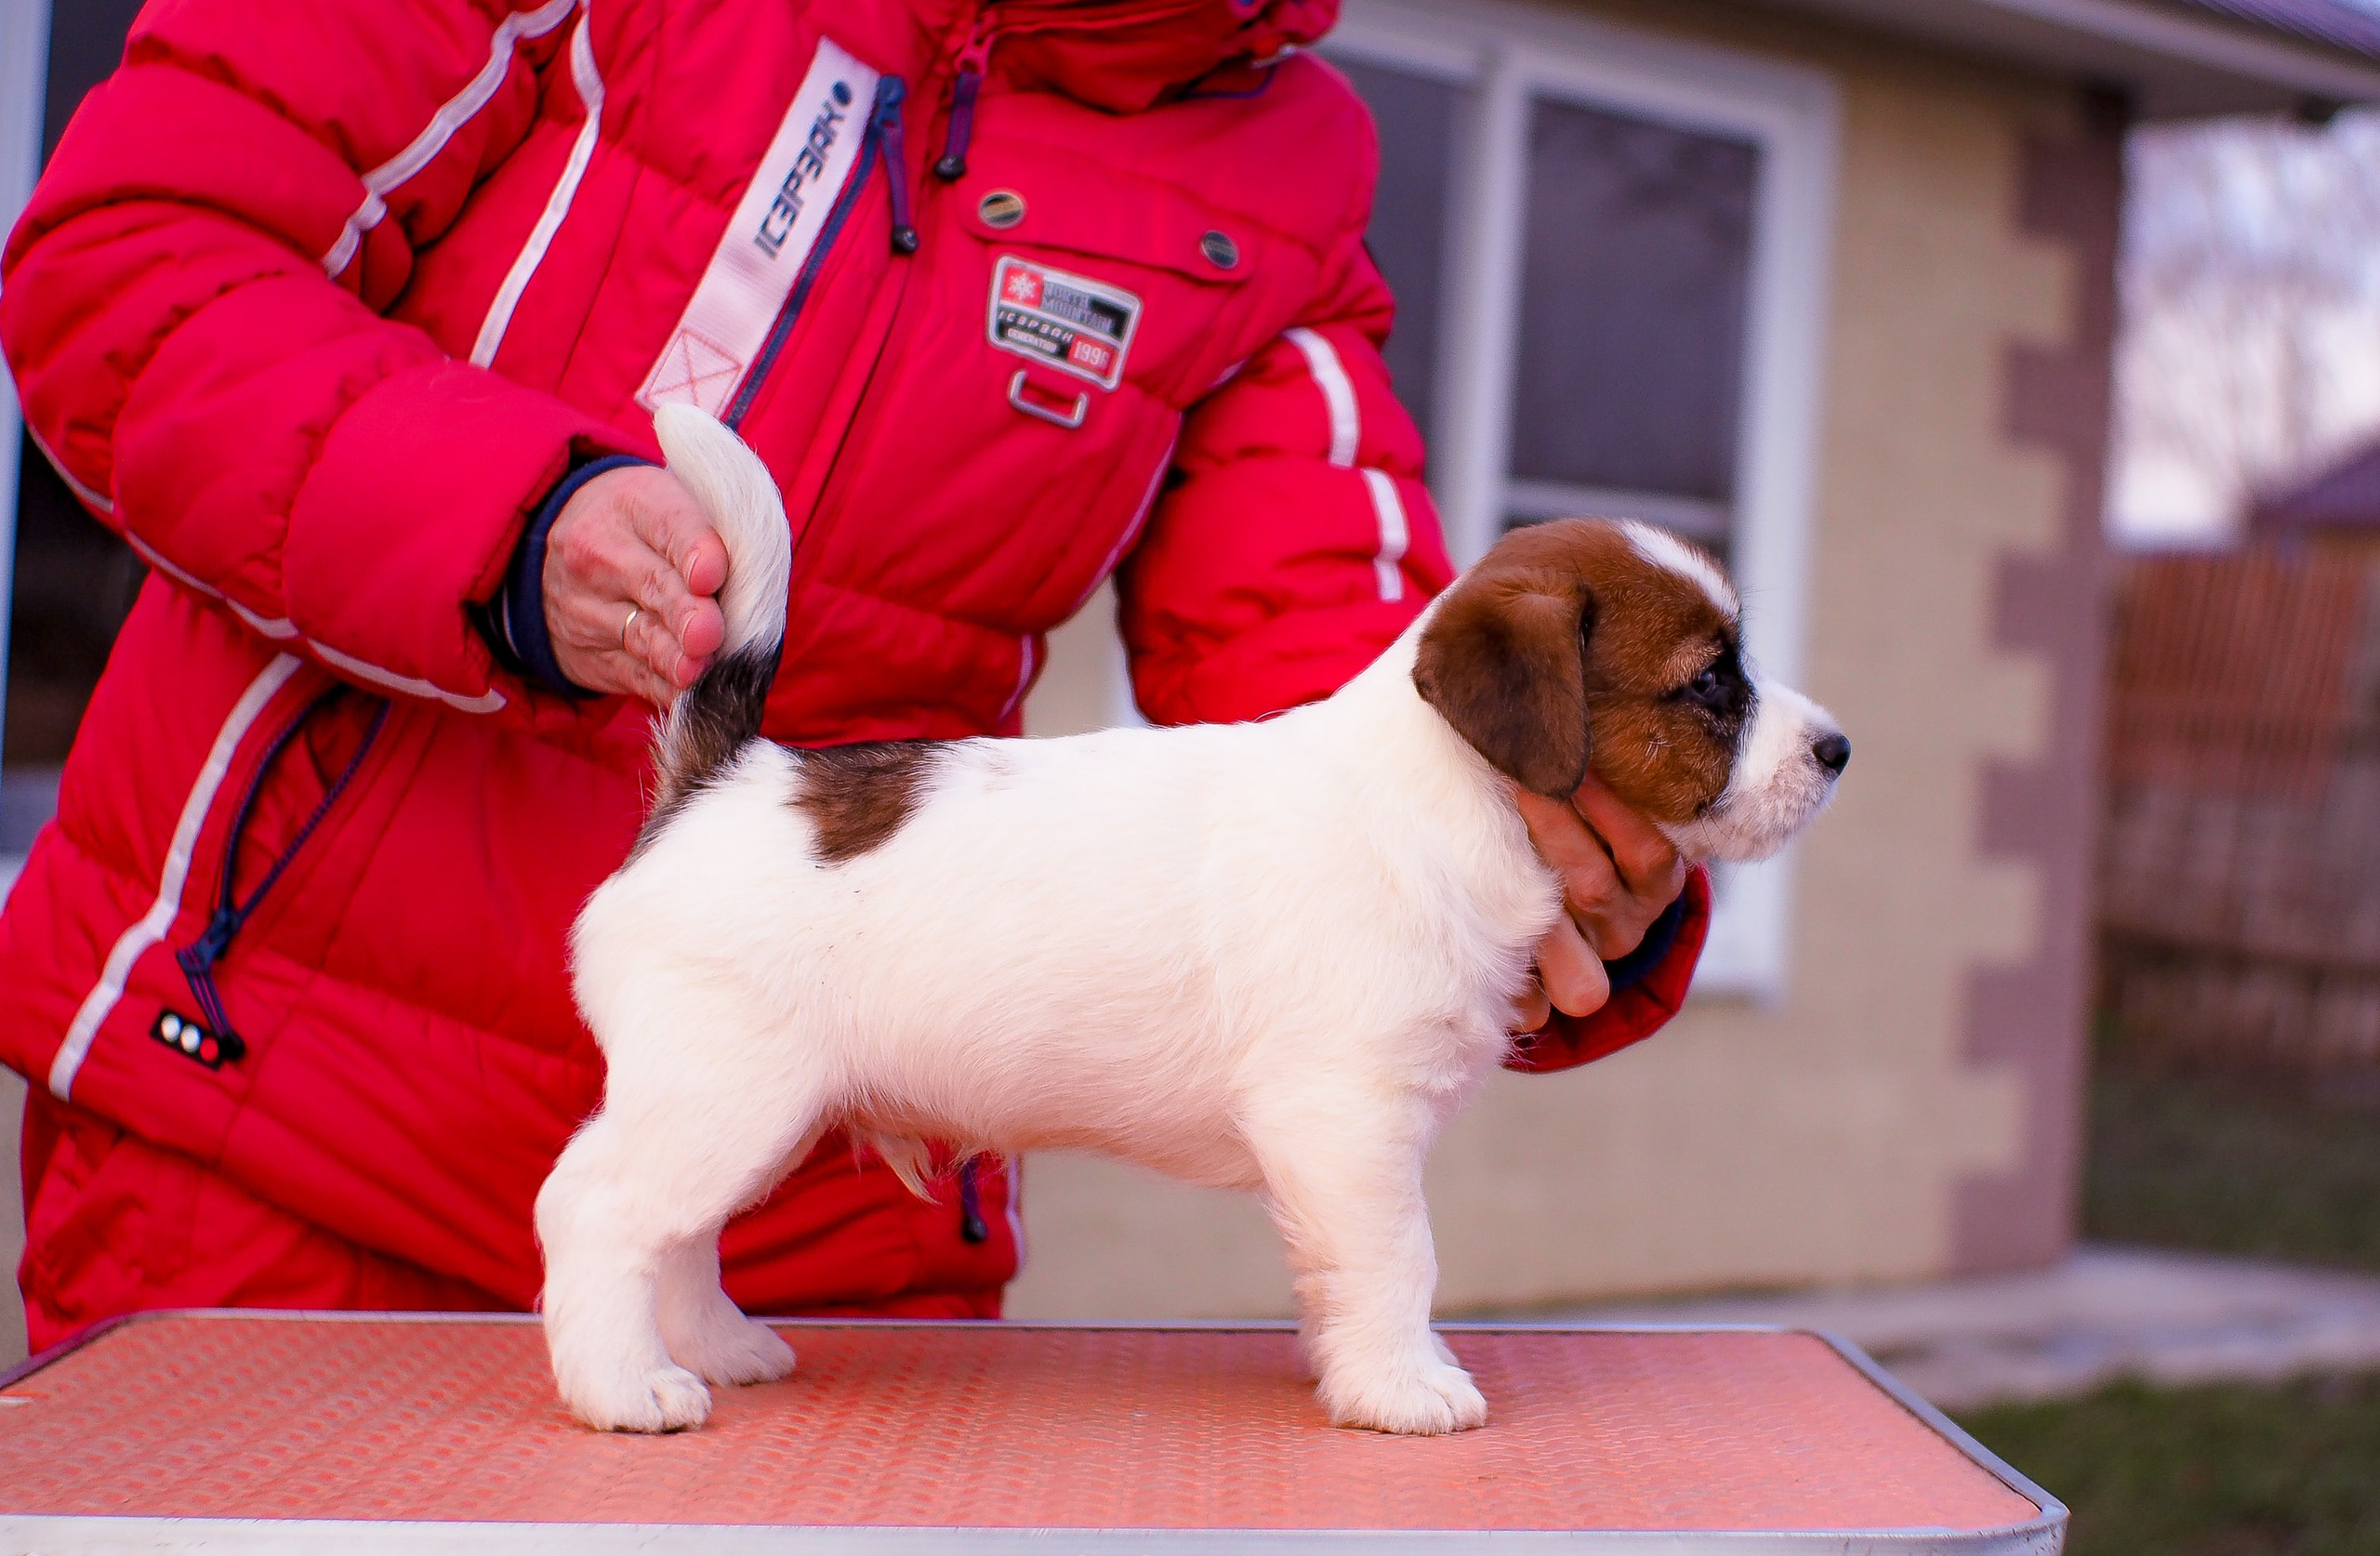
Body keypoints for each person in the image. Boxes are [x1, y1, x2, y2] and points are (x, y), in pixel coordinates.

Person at [0, 0, 1706, 1355]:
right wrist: (508, 518)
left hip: (839, 1230)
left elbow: (1337, 656)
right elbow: (136, 258)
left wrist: (1546, 850)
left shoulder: (1285, 163)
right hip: (269, 1123)